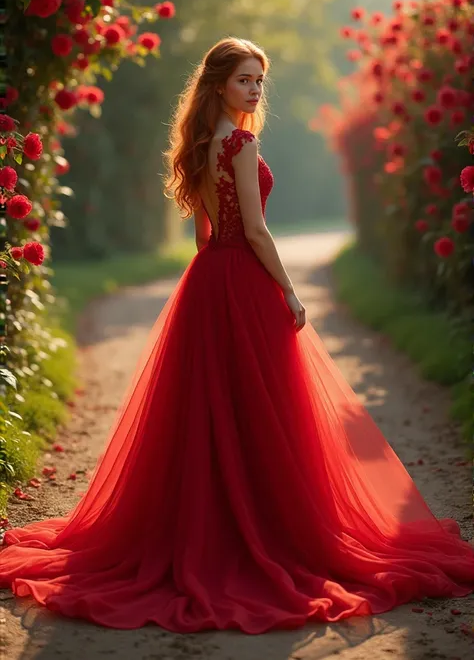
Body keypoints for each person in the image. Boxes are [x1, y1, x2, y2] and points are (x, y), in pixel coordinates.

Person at [0, 37, 473, 634]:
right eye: (246, 79)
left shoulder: (200, 143)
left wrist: (215, 281)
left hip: (207, 282)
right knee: (260, 408)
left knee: (208, 410)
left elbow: (205, 236)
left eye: (260, 80)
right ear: (220, 83)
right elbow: (254, 229)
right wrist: (289, 292)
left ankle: (212, 524)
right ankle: (260, 526)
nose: (255, 90)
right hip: (243, 281)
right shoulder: (241, 143)